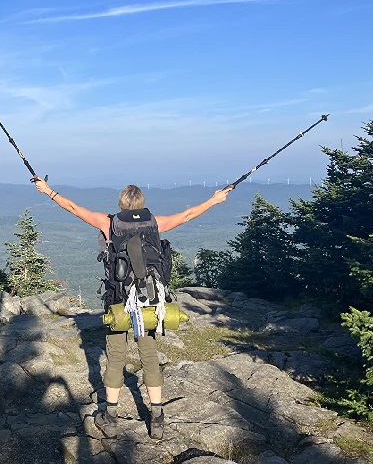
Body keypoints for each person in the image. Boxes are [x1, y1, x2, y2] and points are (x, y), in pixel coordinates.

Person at [34, 179, 231, 439]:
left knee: (116, 356)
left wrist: (48, 191)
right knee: (149, 356)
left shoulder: (109, 223)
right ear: (142, 204)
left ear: (121, 204)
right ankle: (157, 419)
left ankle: (111, 417)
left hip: (119, 301)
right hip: (149, 301)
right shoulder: (155, 223)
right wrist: (214, 200)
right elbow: (188, 214)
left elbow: (72, 207)